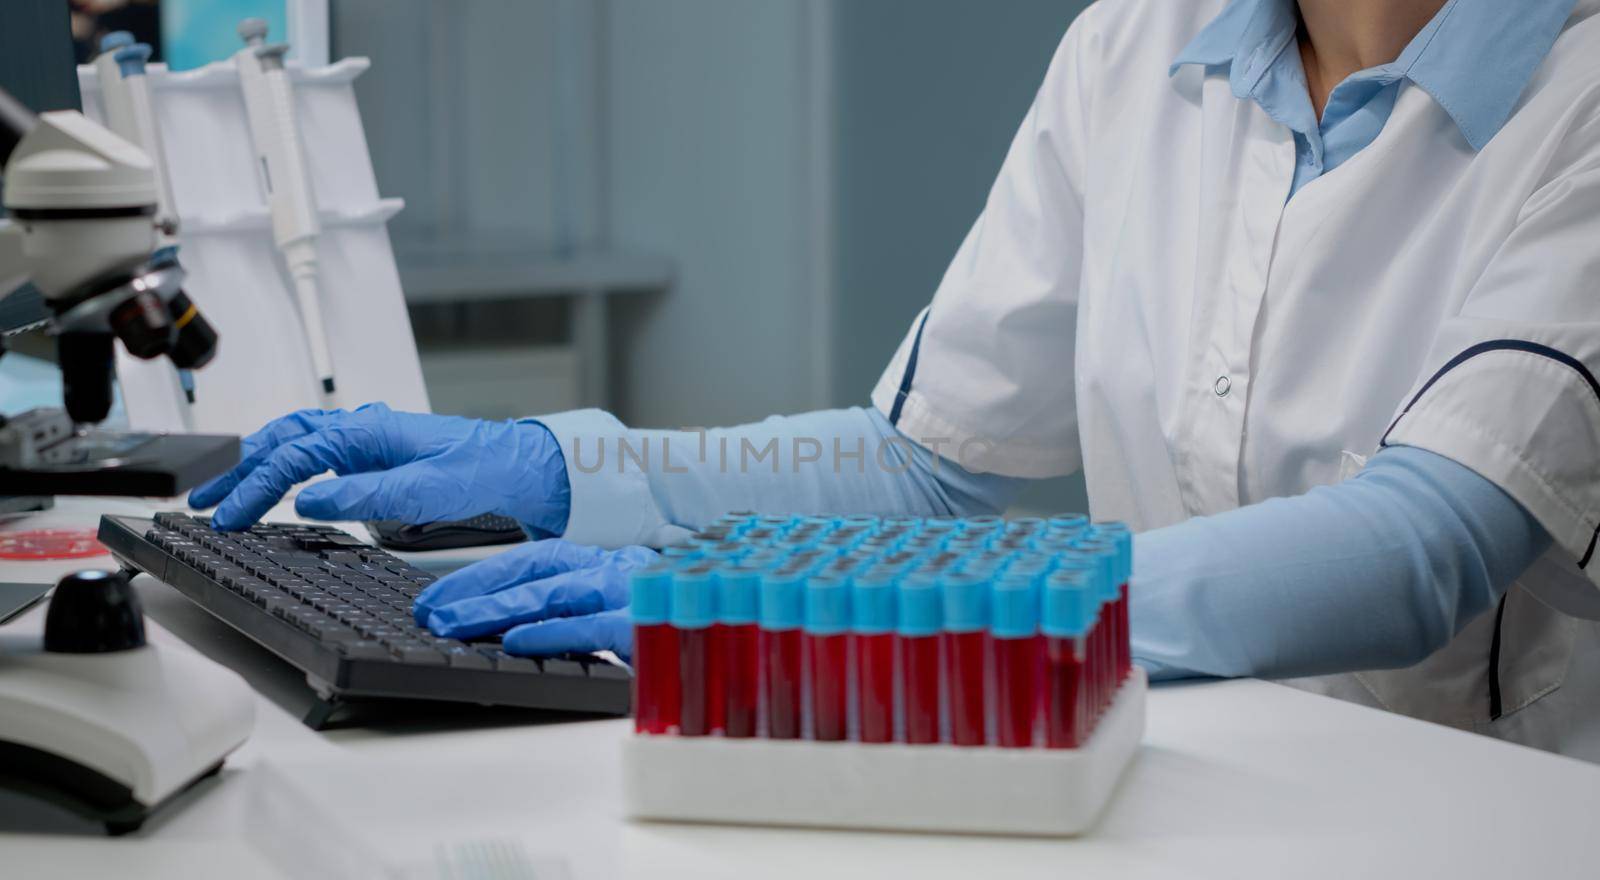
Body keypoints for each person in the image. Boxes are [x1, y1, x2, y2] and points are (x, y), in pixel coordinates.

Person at [192, 0, 1600, 760]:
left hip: (1470, 835)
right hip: (1168, 784)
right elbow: (931, 457)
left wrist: (853, 605)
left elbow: (1422, 546)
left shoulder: (1578, 93)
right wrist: (578, 467)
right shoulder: (1135, 46)